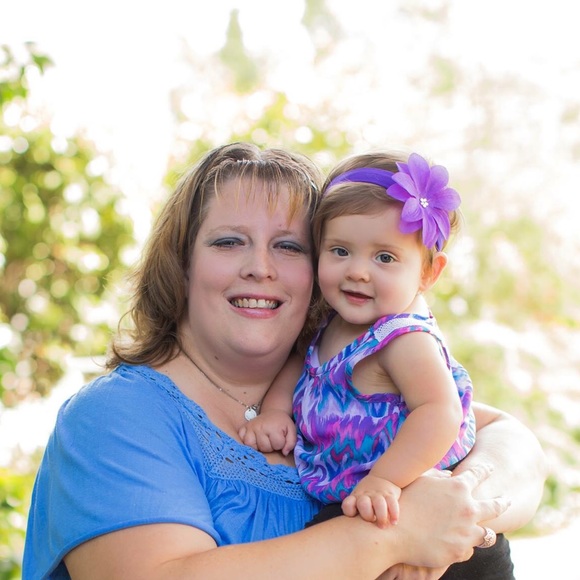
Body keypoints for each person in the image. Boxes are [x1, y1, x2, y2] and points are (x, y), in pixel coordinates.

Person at [23, 142, 546, 580]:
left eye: (290, 247)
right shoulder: (114, 416)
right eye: (229, 242)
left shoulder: (343, 384)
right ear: (181, 263)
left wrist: (458, 500)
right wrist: (398, 534)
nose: (260, 268)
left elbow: (507, 439)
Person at [239, 150, 513, 577]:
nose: (358, 272)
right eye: (340, 251)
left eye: (384, 257)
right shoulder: (333, 323)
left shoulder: (402, 339)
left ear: (428, 274)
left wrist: (386, 478)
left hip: (421, 507)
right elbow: (301, 366)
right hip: (364, 504)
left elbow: (439, 411)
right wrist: (275, 411)